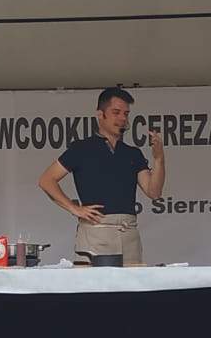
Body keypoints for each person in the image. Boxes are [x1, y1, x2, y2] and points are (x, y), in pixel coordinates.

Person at [37, 86, 166, 266]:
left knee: (131, 289)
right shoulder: (82, 149)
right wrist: (75, 209)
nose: (122, 118)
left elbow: (154, 191)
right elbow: (46, 180)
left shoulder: (132, 153)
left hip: (128, 232)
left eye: (126, 114)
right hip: (95, 232)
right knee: (93, 289)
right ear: (100, 114)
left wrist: (159, 159)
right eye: (116, 112)